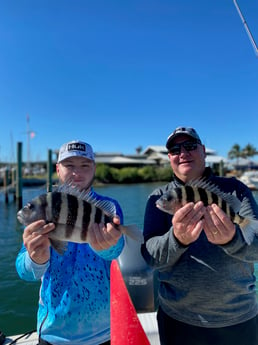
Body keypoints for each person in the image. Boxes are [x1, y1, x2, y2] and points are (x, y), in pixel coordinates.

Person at [141, 126, 258, 345]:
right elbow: (150, 258)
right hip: (178, 321)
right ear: (170, 158)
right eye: (175, 149)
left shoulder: (236, 191)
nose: (183, 153)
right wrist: (177, 239)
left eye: (190, 146)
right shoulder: (158, 199)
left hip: (238, 318)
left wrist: (231, 240)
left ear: (203, 151)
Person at [16, 140, 125, 345]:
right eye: (69, 165)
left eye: (85, 165)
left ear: (94, 168)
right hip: (53, 333)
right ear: (58, 169)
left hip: (104, 331)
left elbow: (116, 252)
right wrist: (35, 260)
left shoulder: (108, 207)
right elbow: (24, 272)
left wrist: (110, 246)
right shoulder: (43, 209)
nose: (77, 172)